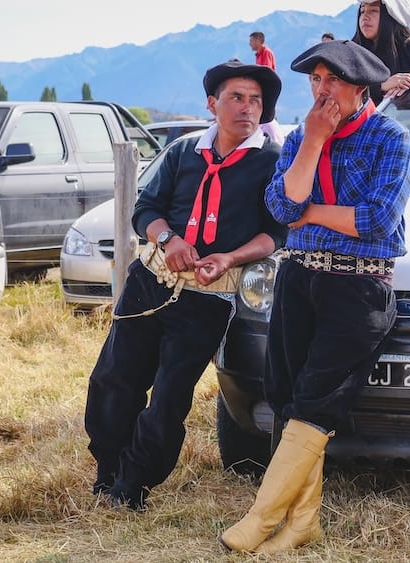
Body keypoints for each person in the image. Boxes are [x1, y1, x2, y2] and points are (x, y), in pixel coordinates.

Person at [218, 40, 410, 554]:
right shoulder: (300, 136)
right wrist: (312, 142)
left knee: (315, 400)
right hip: (298, 278)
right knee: (285, 395)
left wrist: (306, 212)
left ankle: (262, 517)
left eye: (332, 81)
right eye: (315, 81)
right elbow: (281, 205)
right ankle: (303, 522)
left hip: (358, 285)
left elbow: (374, 220)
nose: (321, 91)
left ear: (359, 87)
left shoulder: (390, 139)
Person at [84, 59, 287, 512]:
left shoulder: (272, 161)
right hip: (149, 282)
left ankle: (133, 485)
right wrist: (168, 239)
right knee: (116, 378)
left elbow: (275, 233)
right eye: (237, 97)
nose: (247, 108)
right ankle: (107, 472)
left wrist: (230, 257)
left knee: (171, 393)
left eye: (256, 100)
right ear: (213, 103)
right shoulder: (183, 151)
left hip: (207, 298)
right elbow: (146, 209)